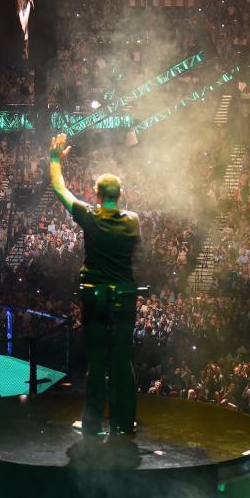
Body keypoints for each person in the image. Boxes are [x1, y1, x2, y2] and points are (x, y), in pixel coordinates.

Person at [49, 133, 141, 437]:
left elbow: (60, 189)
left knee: (98, 361)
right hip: (125, 298)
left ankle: (91, 425)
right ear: (121, 194)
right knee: (122, 360)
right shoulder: (133, 221)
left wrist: (54, 159)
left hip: (94, 298)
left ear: (95, 194)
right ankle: (125, 423)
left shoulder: (90, 216)